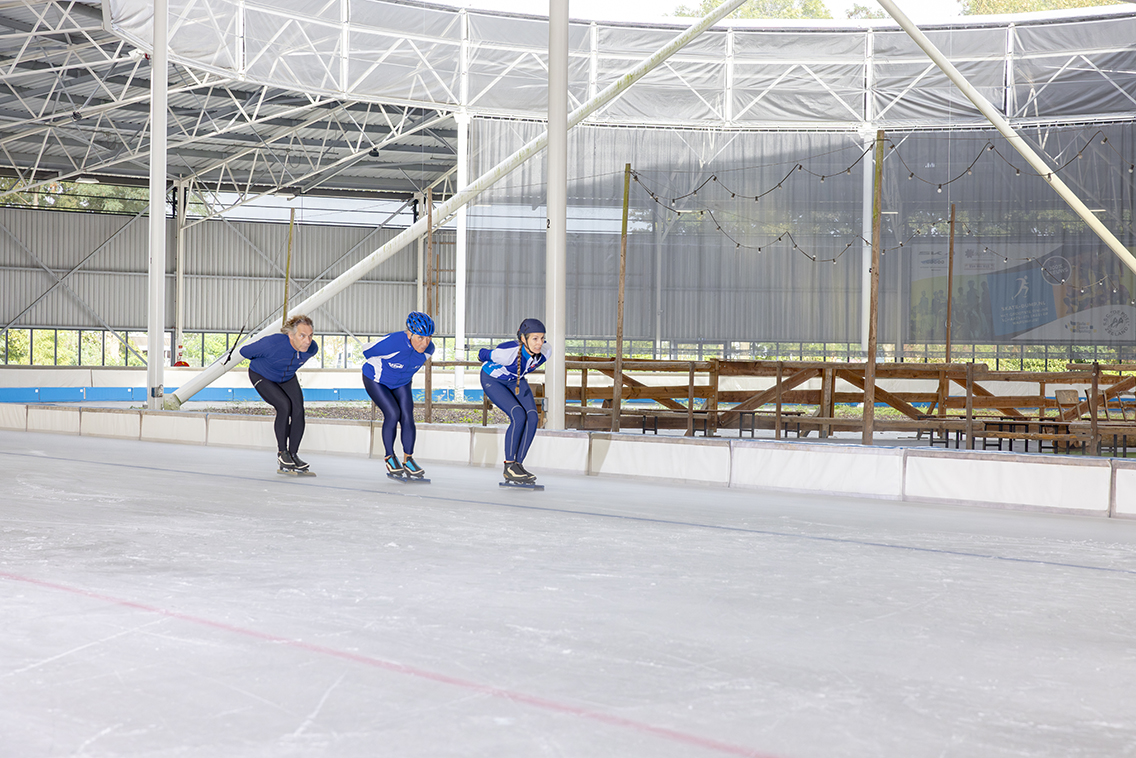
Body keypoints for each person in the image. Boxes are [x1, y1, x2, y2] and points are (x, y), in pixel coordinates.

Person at [239, 314, 319, 474]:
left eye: (310, 336)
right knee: (284, 406)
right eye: (302, 336)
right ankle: (282, 453)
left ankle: (293, 454)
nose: (307, 341)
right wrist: (265, 359)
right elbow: (245, 351)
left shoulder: (312, 349)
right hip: (262, 375)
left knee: (298, 410)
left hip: (287, 377)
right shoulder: (272, 343)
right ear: (291, 335)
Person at [362, 312, 435, 478]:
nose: (425, 343)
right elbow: (366, 351)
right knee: (393, 413)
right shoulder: (392, 343)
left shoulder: (429, 350)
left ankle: (408, 459)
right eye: (420, 338)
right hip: (377, 380)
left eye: (429, 337)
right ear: (409, 334)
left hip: (401, 383)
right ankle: (389, 456)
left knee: (408, 416)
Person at [478, 318, 546, 484]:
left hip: (515, 379)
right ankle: (508, 466)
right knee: (518, 415)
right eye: (534, 339)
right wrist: (489, 356)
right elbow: (482, 353)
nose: (539, 343)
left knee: (532, 416)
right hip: (493, 379)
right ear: (523, 339)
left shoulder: (546, 351)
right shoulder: (506, 353)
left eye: (542, 338)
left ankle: (518, 465)